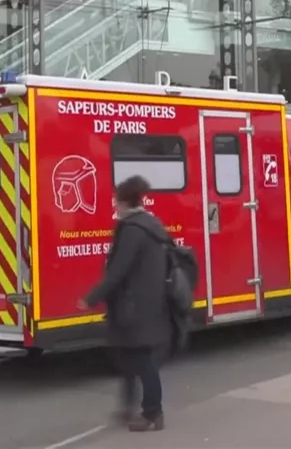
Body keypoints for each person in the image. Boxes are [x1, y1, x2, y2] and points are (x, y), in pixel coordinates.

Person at [79, 175, 171, 432]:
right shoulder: (150, 224)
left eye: (116, 202)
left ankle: (153, 413)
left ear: (125, 202)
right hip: (145, 303)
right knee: (128, 358)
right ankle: (130, 408)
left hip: (133, 307)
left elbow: (118, 271)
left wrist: (91, 298)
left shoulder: (133, 230)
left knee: (141, 360)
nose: (114, 207)